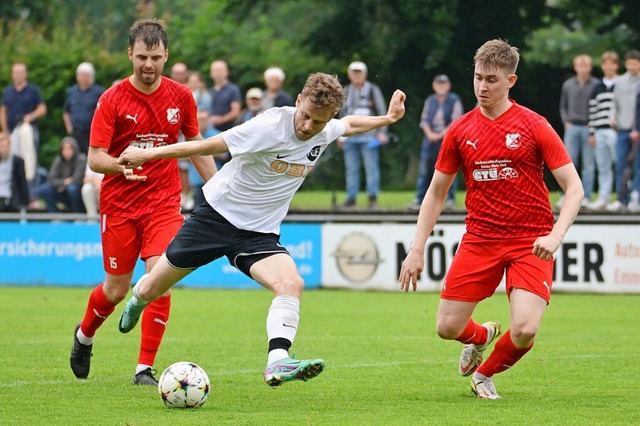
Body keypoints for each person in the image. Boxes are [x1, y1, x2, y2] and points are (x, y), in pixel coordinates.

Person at [116, 72, 406, 388]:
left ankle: (278, 360)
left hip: (258, 234)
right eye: (306, 116)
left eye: (319, 122)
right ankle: (138, 299)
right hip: (215, 218)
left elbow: (349, 125)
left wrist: (388, 119)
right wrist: (146, 154)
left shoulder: (325, 130)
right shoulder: (268, 126)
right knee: (151, 288)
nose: (308, 127)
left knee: (291, 283)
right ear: (298, 101)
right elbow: (208, 145)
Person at [399, 39, 582, 400]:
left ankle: (484, 375)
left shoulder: (534, 125)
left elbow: (573, 187)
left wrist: (555, 236)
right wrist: (417, 248)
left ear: (511, 80)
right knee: (447, 328)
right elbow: (435, 193)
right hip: (480, 239)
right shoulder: (460, 130)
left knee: (526, 329)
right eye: (478, 78)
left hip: (531, 241)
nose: (482, 87)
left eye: (492, 80)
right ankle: (481, 336)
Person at [69, 18, 216, 386]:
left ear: (166, 55)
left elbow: (197, 145)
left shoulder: (181, 97)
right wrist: (119, 166)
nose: (148, 64)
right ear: (129, 55)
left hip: (163, 204)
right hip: (119, 205)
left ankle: (144, 369)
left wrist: (218, 188)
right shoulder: (112, 99)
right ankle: (84, 335)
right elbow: (94, 158)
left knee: (159, 278)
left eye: (154, 57)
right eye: (141, 57)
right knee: (117, 289)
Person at [408, 74, 464, 211]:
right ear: (434, 86)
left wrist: (440, 135)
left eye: (444, 84)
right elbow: (424, 120)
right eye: (439, 84)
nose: (441, 86)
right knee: (425, 170)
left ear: (448, 86)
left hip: (447, 139)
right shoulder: (430, 100)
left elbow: (456, 121)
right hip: (430, 139)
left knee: (450, 169)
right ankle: (420, 199)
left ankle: (450, 199)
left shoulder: (454, 100)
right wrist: (430, 134)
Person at [338, 61, 388, 209]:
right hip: (350, 135)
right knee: (351, 168)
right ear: (350, 75)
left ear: (365, 74)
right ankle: (351, 198)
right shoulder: (346, 90)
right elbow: (342, 113)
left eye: (359, 72)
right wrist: (340, 134)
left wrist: (382, 132)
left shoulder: (372, 89)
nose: (357, 75)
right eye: (354, 72)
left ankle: (372, 198)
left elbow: (381, 111)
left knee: (371, 168)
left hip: (369, 136)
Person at [558, 54, 598, 209]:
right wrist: (566, 121)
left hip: (589, 127)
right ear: (575, 67)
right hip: (572, 126)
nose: (583, 69)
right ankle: (565, 196)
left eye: (585, 66)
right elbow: (563, 105)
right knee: (568, 163)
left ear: (590, 67)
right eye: (580, 66)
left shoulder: (596, 84)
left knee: (588, 164)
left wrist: (593, 124)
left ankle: (586, 196)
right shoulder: (568, 84)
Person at [0, 62, 47, 185]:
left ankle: (32, 193)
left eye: (21, 72)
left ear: (26, 74)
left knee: (30, 160)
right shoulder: (8, 92)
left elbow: (42, 109)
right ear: (12, 74)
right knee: (13, 161)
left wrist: (31, 116)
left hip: (28, 130)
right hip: (12, 131)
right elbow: (3, 112)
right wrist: (5, 132)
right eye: (16, 72)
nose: (18, 75)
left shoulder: (33, 90)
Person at [608, 50, 640, 212]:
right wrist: (612, 117)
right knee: (620, 164)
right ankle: (622, 198)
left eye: (636, 63)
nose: (633, 66)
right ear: (626, 64)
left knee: (637, 165)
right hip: (622, 128)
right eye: (630, 63)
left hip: (638, 130)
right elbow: (614, 103)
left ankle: (636, 196)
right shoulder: (619, 82)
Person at [586, 52, 619, 211]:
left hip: (616, 131)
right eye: (605, 64)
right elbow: (593, 110)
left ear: (616, 65)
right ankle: (603, 197)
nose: (608, 67)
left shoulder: (621, 84)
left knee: (619, 164)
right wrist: (592, 132)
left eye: (611, 63)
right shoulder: (597, 87)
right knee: (603, 166)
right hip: (599, 130)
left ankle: (621, 197)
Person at [34, 136, 86, 213]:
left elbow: (77, 179)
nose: (66, 151)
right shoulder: (58, 160)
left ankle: (78, 214)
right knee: (44, 189)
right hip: (61, 190)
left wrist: (63, 184)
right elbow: (51, 179)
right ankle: (55, 215)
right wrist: (64, 183)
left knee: (72, 188)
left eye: (69, 149)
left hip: (77, 192)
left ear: (74, 149)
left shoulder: (81, 159)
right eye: (63, 149)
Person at [62, 62, 105, 154]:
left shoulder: (99, 92)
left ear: (91, 77)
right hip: (75, 132)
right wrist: (69, 128)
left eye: (86, 75)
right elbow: (66, 111)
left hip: (91, 133)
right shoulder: (71, 92)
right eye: (82, 75)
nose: (84, 77)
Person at [208, 59, 242, 167]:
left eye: (221, 70)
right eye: (215, 71)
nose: (218, 73)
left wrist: (221, 119)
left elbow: (236, 111)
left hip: (228, 132)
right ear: (211, 74)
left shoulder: (233, 90)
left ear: (227, 72)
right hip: (211, 133)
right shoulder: (210, 92)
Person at [0, 132, 29, 212]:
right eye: (2, 146)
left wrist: (25, 202)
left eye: (6, 146)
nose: (4, 149)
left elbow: (22, 182)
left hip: (10, 197)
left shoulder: (17, 161)